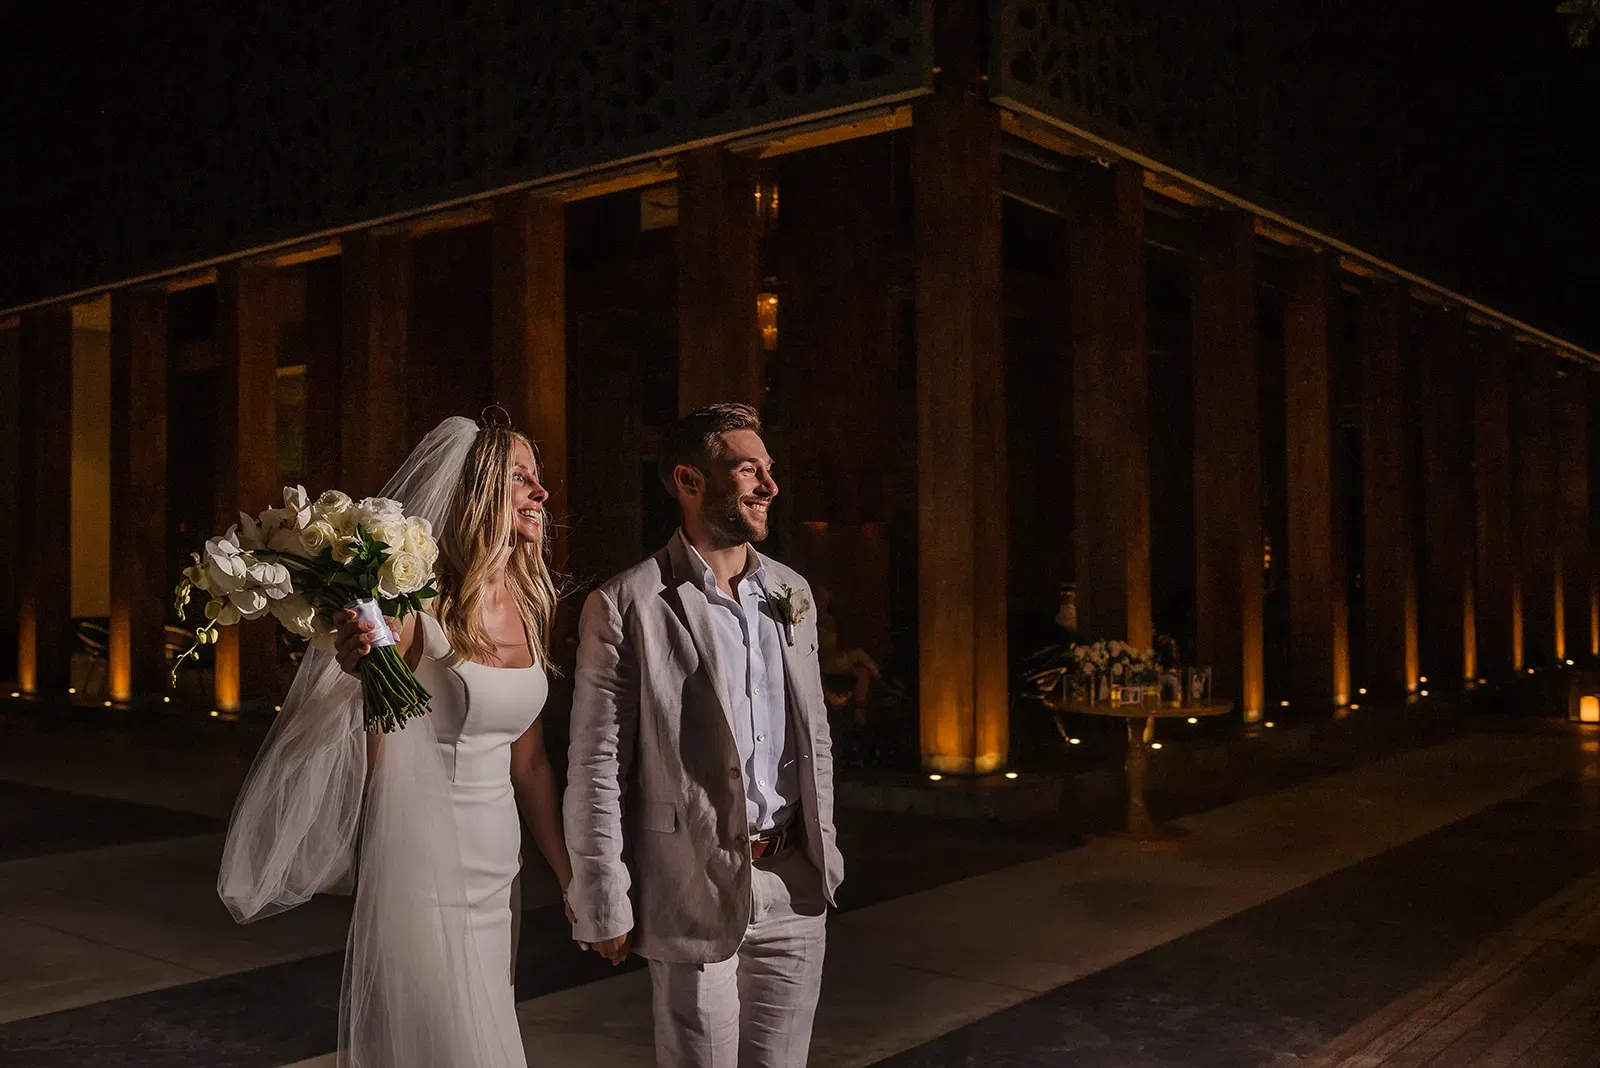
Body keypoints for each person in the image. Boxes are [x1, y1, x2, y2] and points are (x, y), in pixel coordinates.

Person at [217, 413, 571, 1068]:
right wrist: (362, 673)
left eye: (538, 479)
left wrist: (574, 876)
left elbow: (531, 765)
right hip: (423, 870)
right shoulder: (414, 606)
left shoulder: (526, 602)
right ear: (479, 491)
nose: (540, 494)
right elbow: (379, 734)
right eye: (521, 478)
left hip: (499, 878)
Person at [565, 402, 844, 1068]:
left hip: (795, 885)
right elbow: (597, 760)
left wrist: (824, 848)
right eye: (748, 470)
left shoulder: (791, 591)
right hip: (690, 883)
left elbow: (816, 734)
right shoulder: (628, 603)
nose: (769, 487)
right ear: (689, 482)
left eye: (768, 470)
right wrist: (603, 893)